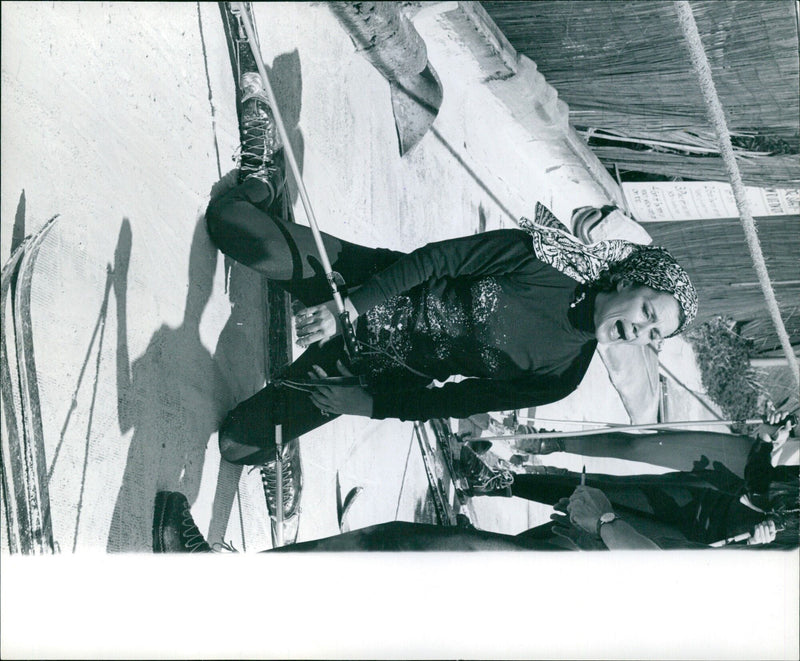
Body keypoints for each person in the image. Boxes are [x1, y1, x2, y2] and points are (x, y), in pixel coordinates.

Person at [204, 72, 698, 472]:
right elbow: (436, 259)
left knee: (237, 446)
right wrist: (346, 308)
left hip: (379, 368)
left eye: (653, 335)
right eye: (649, 311)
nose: (640, 329)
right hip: (364, 284)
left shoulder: (561, 377)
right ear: (629, 281)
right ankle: (265, 186)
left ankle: (284, 444)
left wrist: (367, 405)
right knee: (229, 224)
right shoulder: (542, 258)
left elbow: (458, 400)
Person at [460, 415, 799, 549]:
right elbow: (762, 485)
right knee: (599, 494)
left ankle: (482, 549)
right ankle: (500, 482)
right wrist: (768, 442)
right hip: (705, 503)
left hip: (705, 544)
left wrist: (757, 548)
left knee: (584, 534)